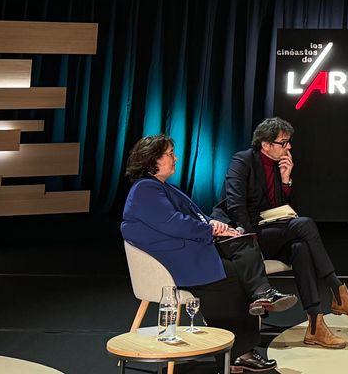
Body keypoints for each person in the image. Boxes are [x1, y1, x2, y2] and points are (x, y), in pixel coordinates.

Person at [121, 134, 296, 374]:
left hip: (186, 251)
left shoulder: (162, 187)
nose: (176, 158)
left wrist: (217, 225)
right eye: (170, 154)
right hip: (174, 260)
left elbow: (194, 217)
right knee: (232, 276)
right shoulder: (146, 189)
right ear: (152, 160)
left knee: (242, 244)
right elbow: (174, 223)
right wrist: (211, 229)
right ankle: (240, 349)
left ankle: (259, 297)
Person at [212, 117, 348, 350]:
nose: (288, 147)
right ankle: (338, 291)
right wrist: (250, 240)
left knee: (301, 248)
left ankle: (316, 323)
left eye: (289, 142)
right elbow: (236, 206)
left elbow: (281, 208)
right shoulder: (243, 160)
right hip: (244, 236)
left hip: (267, 231)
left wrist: (286, 181)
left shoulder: (280, 166)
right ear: (265, 144)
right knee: (304, 224)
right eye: (283, 142)